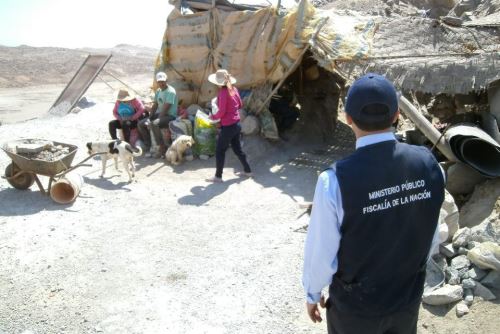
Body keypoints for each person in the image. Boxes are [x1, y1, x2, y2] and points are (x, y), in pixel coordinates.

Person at [302, 73, 445, 334]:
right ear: (396, 116)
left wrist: (313, 293)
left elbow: (321, 252)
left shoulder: (333, 182)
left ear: (348, 118)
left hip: (355, 311)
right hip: (406, 300)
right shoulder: (430, 165)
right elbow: (432, 237)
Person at [205, 69, 252, 183]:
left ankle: (218, 176)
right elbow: (240, 104)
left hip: (228, 126)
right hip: (236, 124)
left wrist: (213, 117)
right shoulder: (233, 89)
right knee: (237, 149)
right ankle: (248, 171)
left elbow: (221, 112)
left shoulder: (223, 92)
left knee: (220, 150)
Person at [138, 71, 178, 158]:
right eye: (159, 81)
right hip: (161, 114)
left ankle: (162, 147)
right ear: (157, 82)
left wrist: (154, 120)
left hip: (170, 115)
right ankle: (148, 145)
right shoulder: (158, 91)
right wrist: (150, 117)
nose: (161, 83)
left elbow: (165, 109)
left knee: (154, 123)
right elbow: (155, 105)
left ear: (166, 80)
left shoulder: (171, 91)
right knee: (141, 123)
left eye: (163, 81)